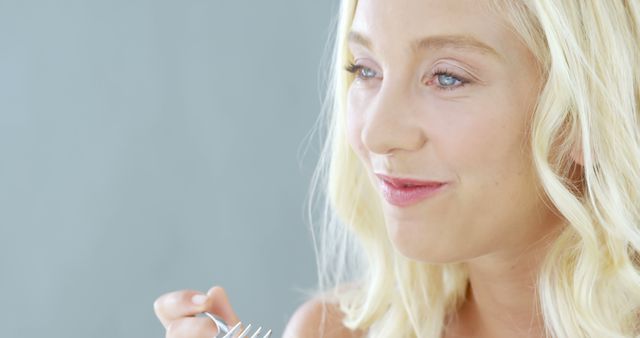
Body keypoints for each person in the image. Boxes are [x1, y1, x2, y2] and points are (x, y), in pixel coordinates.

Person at [153, 0, 640, 337]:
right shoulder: (330, 334)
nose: (376, 133)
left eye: (447, 77)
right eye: (365, 69)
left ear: (586, 119)